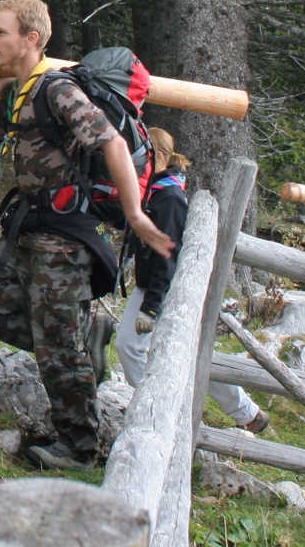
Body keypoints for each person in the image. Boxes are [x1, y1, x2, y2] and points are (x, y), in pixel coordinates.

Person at [0, 0, 174, 471]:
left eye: (0, 32)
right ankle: (85, 340)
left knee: (58, 350)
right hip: (27, 229)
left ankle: (79, 448)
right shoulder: (19, 89)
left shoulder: (57, 90)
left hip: (64, 242)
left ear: (30, 38)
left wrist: (136, 214)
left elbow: (113, 144)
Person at [113, 127, 270, 435]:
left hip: (163, 290)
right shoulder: (154, 192)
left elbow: (167, 257)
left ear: (157, 157)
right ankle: (247, 413)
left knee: (130, 346)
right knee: (191, 352)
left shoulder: (167, 200)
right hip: (158, 288)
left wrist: (152, 307)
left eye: (139, 157)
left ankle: (157, 411)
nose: (132, 164)